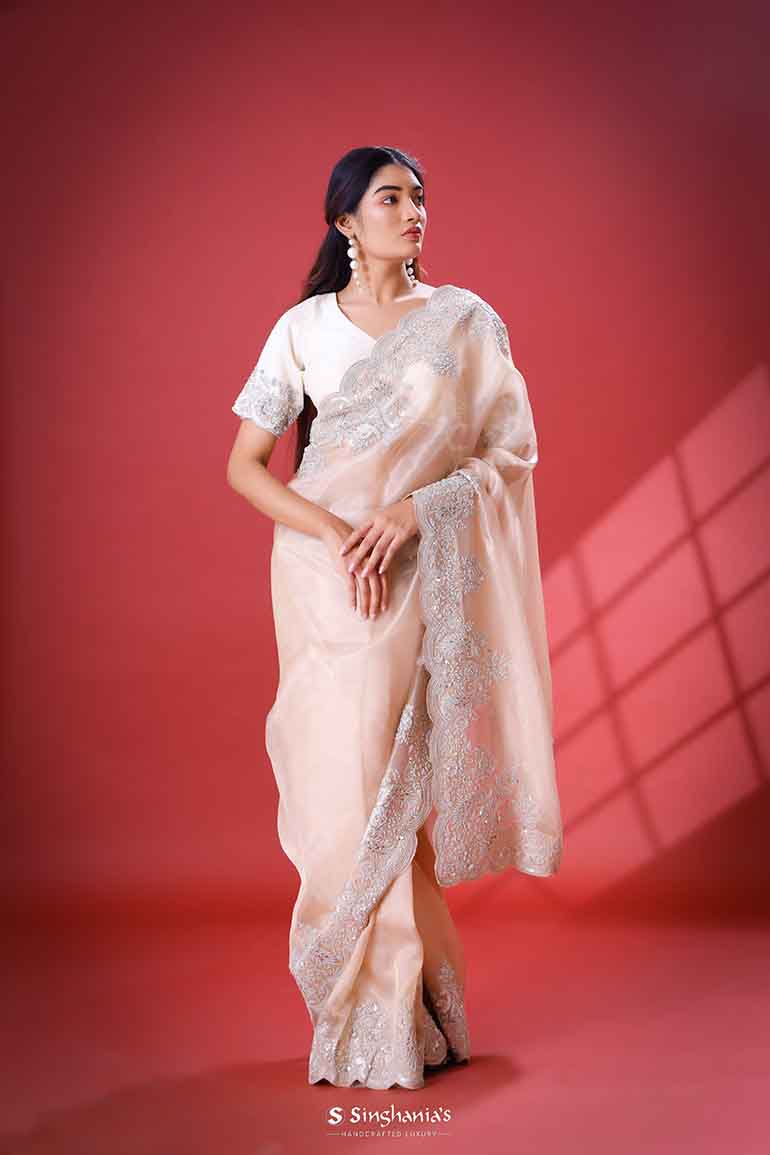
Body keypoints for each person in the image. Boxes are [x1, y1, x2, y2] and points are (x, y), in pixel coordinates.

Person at [226, 145, 564, 1091]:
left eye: (419, 197)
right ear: (345, 221)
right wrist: (335, 531)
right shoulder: (302, 329)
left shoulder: (463, 321)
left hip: (414, 575)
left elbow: (511, 451)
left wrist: (415, 512)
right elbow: (245, 466)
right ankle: (388, 1014)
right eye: (390, 197)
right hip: (321, 580)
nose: (413, 210)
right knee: (338, 790)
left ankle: (396, 1013)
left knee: (386, 789)